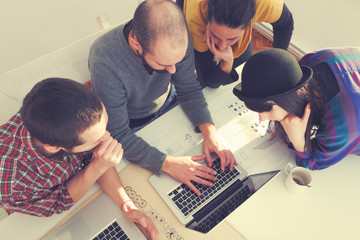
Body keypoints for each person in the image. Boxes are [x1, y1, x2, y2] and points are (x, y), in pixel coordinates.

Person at [89, 0, 236, 196]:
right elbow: (118, 132)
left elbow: (188, 88)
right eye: (163, 64)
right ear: (136, 44)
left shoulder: (176, 32)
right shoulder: (104, 60)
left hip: (169, 102)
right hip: (132, 124)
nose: (173, 71)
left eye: (177, 61)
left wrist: (209, 132)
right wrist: (167, 163)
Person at [0, 78, 158, 239]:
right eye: (96, 140)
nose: (108, 136)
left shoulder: (71, 112)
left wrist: (127, 205)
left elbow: (92, 156)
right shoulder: (14, 187)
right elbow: (59, 202)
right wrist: (98, 166)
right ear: (53, 147)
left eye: (105, 127)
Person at [233, 47, 360, 170]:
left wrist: (298, 140)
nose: (261, 119)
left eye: (267, 109)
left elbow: (313, 163)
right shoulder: (307, 64)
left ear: (290, 98)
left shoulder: (341, 125)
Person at [179, 0, 294, 88]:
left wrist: (276, 63)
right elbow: (209, 80)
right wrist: (226, 63)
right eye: (215, 35)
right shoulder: (196, 17)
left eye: (231, 38)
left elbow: (285, 24)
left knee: (243, 70)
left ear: (248, 24)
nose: (223, 47)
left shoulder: (267, 4)